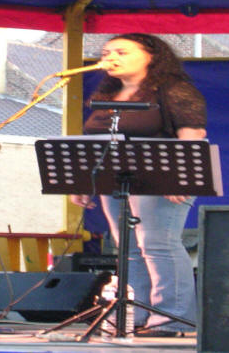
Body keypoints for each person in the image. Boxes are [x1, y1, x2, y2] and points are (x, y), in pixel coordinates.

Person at [70, 33, 206, 338]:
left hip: (161, 176)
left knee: (158, 244)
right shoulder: (109, 95)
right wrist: (84, 181)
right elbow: (97, 142)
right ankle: (135, 314)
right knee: (128, 249)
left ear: (151, 56)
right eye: (106, 52)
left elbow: (192, 133)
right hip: (115, 179)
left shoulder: (173, 90)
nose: (111, 57)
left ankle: (171, 318)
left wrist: (179, 176)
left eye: (122, 52)